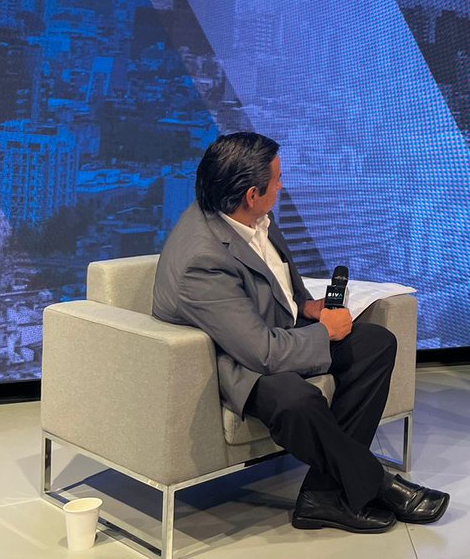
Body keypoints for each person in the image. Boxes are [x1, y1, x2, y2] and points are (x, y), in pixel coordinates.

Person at [153, 132, 450, 533]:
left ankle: (321, 498)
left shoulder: (252, 217)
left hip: (275, 333)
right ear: (252, 194)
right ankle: (379, 484)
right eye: (277, 180)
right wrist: (325, 331)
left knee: (376, 344)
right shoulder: (202, 259)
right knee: (296, 400)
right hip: (237, 362)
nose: (282, 186)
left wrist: (306, 306)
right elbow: (261, 352)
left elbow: (276, 283)